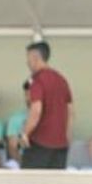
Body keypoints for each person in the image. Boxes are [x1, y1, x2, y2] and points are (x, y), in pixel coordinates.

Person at [20, 41, 72, 169]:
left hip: (39, 143)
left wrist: (25, 133)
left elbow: (36, 109)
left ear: (35, 57)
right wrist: (67, 138)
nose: (27, 62)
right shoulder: (62, 80)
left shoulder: (37, 80)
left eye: (28, 58)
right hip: (61, 145)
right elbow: (70, 111)